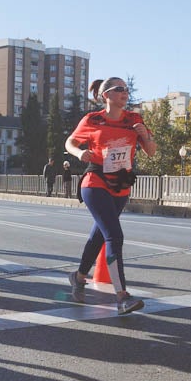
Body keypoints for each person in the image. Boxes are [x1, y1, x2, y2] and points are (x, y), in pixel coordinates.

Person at [65, 77, 156, 316]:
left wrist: (145, 135)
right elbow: (70, 142)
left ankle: (78, 276)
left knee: (99, 235)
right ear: (106, 95)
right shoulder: (92, 119)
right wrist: (78, 153)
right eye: (119, 89)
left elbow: (151, 152)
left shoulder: (134, 120)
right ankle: (122, 296)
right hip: (95, 181)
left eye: (126, 89)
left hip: (121, 185)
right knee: (114, 235)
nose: (125, 92)